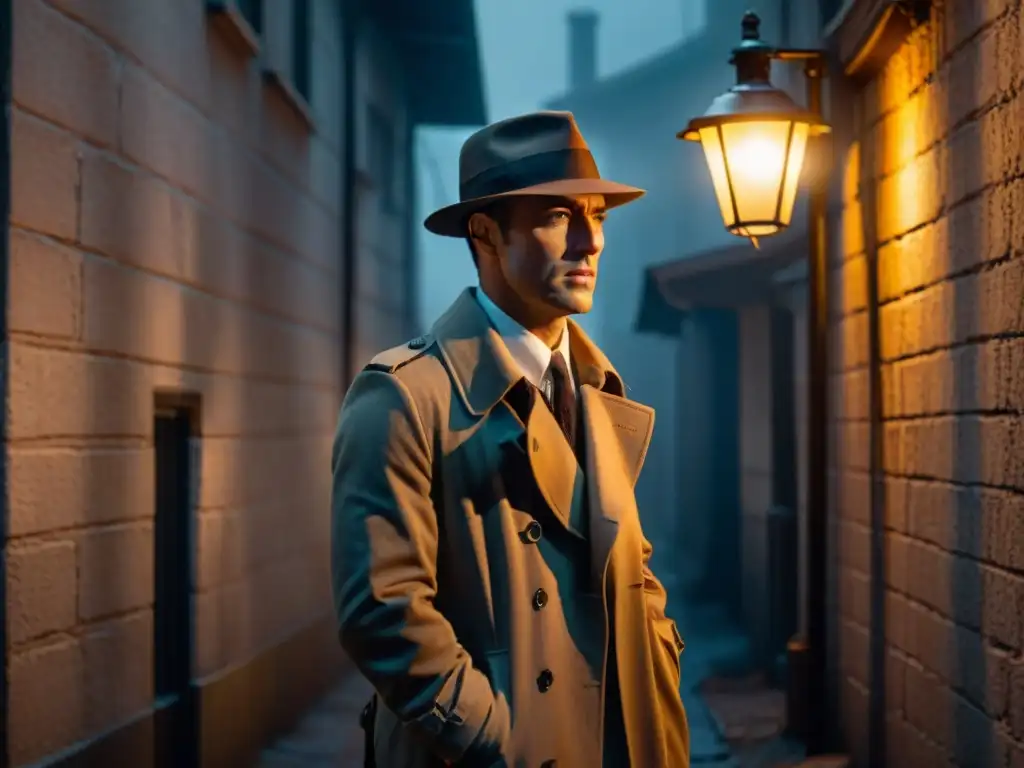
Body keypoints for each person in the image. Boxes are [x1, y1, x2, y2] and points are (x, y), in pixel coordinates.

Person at [331, 110, 689, 767]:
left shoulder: (597, 386)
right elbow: (384, 617)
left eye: (599, 217)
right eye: (558, 217)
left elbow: (631, 577)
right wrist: (499, 739)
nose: (590, 242)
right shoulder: (406, 396)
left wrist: (658, 705)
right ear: (486, 233)